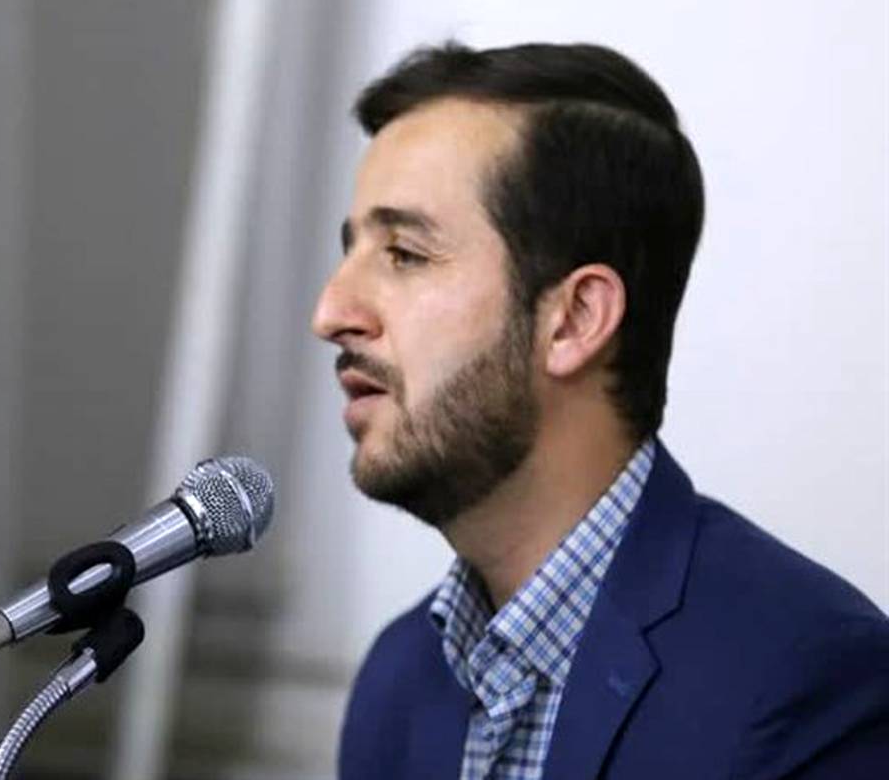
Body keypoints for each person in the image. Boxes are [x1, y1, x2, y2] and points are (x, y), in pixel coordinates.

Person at [312, 42, 889, 780]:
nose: (332, 312)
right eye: (351, 251)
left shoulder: (809, 684)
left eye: (405, 254)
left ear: (576, 319)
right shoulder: (396, 682)